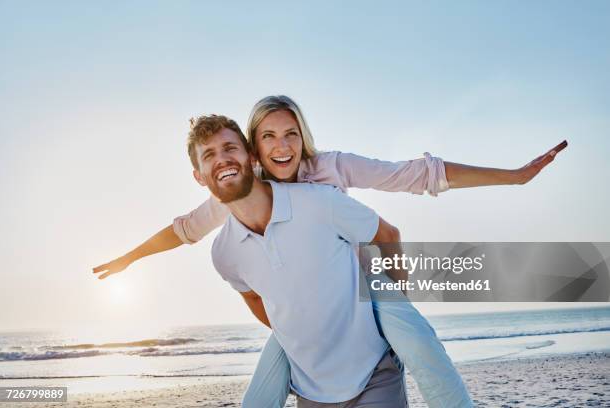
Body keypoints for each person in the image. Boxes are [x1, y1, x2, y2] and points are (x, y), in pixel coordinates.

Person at [93, 95, 567, 407]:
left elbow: (416, 176)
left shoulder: (328, 170)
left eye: (291, 134)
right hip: (303, 308)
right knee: (264, 388)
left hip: (364, 281)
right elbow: (181, 231)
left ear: (303, 137)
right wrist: (130, 259)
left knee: (420, 346)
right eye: (269, 138)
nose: (282, 148)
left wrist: (513, 175)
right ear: (256, 151)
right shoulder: (239, 193)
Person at [198, 114, 407, 406]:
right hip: (311, 392)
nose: (222, 159)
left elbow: (387, 234)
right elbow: (256, 301)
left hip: (376, 374)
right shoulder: (224, 253)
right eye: (209, 155)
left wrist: (395, 311)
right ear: (199, 175)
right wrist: (306, 337)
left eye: (230, 148)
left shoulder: (318, 200)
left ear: (251, 157)